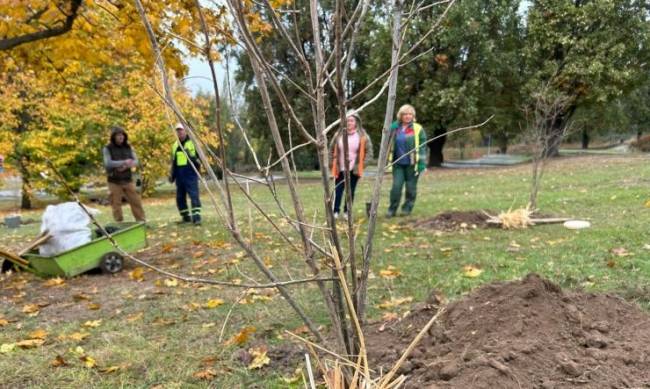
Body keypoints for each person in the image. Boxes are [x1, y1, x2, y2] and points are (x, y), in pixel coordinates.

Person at [330, 111, 373, 219]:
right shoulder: (338, 135)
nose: (349, 122)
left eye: (351, 120)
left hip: (354, 169)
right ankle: (335, 212)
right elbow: (330, 150)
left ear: (356, 122)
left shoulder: (362, 136)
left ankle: (346, 212)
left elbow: (369, 153)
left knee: (350, 192)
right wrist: (332, 164)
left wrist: (361, 165)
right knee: (338, 191)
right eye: (347, 120)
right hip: (340, 169)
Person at [386, 104, 427, 217]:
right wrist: (390, 128)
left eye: (410, 114)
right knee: (396, 187)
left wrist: (421, 164)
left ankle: (407, 209)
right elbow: (386, 142)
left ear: (413, 116)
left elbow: (423, 147)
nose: (408, 116)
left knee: (411, 189)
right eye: (405, 114)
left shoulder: (418, 128)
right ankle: (392, 209)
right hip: (397, 164)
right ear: (401, 115)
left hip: (412, 164)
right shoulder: (395, 128)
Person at [102, 126, 146, 222]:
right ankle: (119, 224)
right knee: (116, 205)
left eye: (122, 135)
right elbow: (108, 163)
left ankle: (141, 222)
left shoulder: (129, 147)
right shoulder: (107, 148)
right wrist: (124, 162)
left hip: (127, 180)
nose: (121, 137)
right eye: (118, 135)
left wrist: (126, 166)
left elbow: (136, 162)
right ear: (113, 137)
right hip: (114, 181)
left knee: (136, 202)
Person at [169, 123, 202, 225]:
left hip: (190, 174)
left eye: (181, 130)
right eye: (177, 131)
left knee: (193, 196)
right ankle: (185, 217)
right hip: (179, 175)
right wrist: (172, 175)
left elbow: (199, 161)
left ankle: (196, 218)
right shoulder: (175, 145)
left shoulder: (192, 143)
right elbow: (174, 163)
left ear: (185, 131)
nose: (179, 132)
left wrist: (190, 156)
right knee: (180, 198)